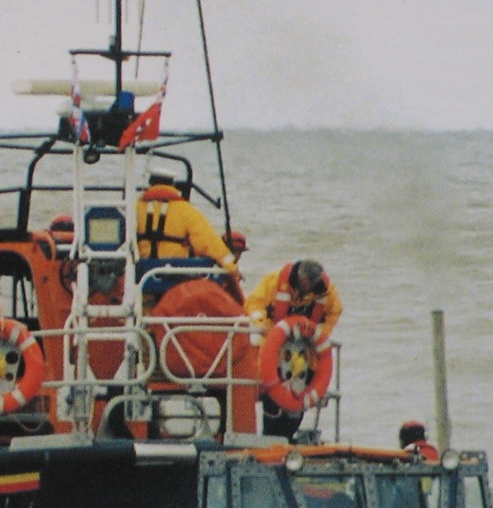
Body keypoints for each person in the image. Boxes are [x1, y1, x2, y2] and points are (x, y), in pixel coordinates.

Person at [244, 259, 343, 440]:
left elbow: (335, 311)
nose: (306, 288)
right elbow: (253, 303)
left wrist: (321, 333)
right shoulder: (274, 281)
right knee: (272, 400)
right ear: (299, 278)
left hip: (304, 355)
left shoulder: (326, 292)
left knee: (297, 402)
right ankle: (271, 439)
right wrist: (263, 324)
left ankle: (288, 437)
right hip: (273, 352)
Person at [134, 167, 239, 301]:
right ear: (173, 185)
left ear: (150, 184)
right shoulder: (187, 211)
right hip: (176, 277)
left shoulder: (135, 208)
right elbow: (209, 243)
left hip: (143, 275)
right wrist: (232, 267)